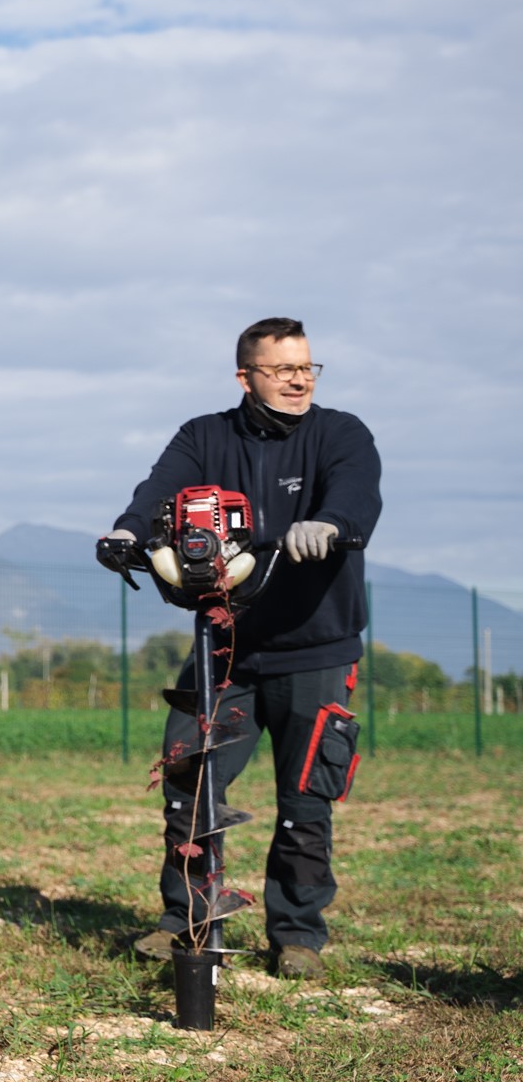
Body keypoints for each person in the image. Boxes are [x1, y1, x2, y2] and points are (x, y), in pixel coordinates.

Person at [104, 317, 381, 979]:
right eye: (283, 368)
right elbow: (158, 491)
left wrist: (331, 524)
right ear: (246, 376)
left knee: (305, 798)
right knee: (189, 780)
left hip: (315, 647)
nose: (298, 379)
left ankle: (297, 934)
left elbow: (356, 496)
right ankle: (188, 916)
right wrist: (125, 530)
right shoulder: (205, 437)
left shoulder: (340, 434)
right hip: (223, 643)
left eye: (308, 367)